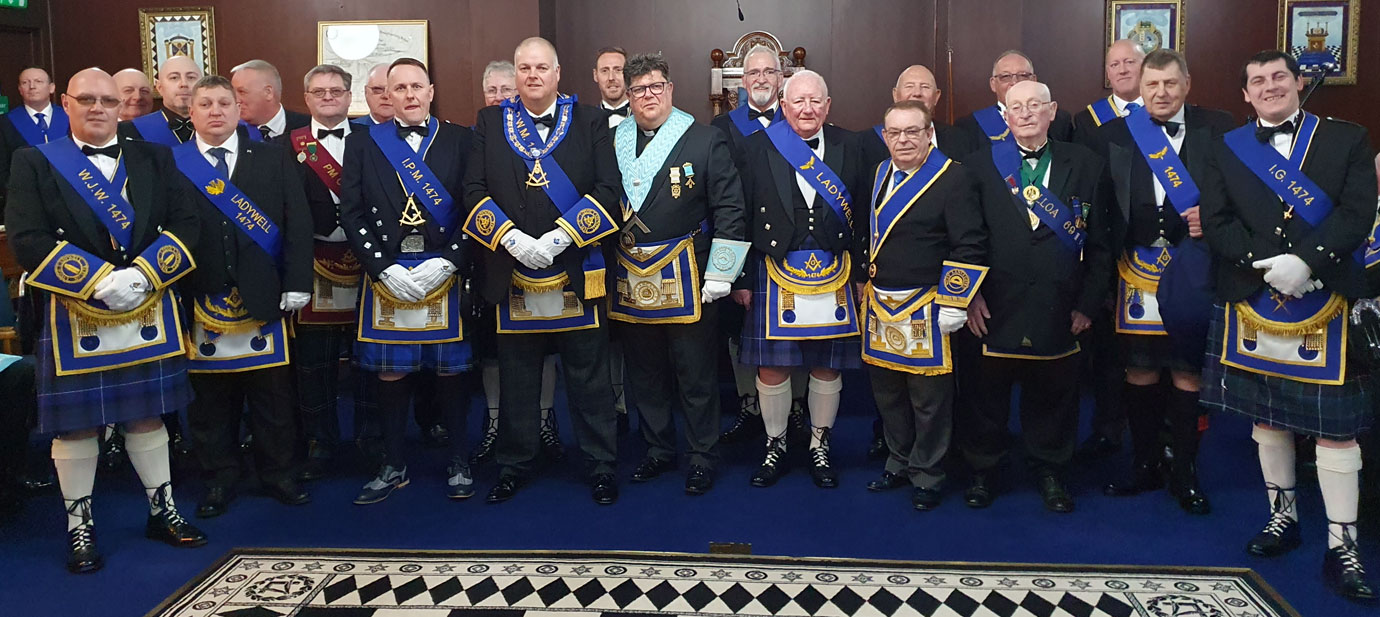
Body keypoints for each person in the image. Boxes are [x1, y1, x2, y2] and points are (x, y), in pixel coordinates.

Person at [5, 68, 206, 573]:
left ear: (122, 106)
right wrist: (94, 280)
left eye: (108, 100)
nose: (98, 108)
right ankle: (80, 528)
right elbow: (27, 237)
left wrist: (144, 275)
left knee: (147, 414)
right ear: (66, 103)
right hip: (74, 311)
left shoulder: (155, 157)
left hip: (145, 302)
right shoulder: (34, 161)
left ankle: (163, 512)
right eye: (87, 99)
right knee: (75, 427)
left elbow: (186, 222)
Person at [1199, 50, 1377, 601]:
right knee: (1268, 419)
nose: (1270, 86)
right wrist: (1267, 264)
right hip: (1254, 295)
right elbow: (1216, 219)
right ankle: (1284, 518)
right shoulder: (1226, 148)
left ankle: (1342, 545)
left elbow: (1357, 211)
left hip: (1326, 295)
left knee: (1334, 429)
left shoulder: (1347, 138)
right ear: (1246, 95)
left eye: (1279, 76)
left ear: (1298, 83)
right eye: (1258, 81)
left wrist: (1308, 261)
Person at [464, 37, 622, 505]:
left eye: (541, 68)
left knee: (590, 380)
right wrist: (509, 237)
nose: (532, 75)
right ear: (515, 75)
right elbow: (472, 189)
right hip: (512, 272)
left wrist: (562, 236)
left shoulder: (590, 120)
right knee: (517, 378)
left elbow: (609, 191)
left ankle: (601, 464)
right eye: (524, 68)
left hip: (576, 266)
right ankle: (514, 464)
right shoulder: (490, 122)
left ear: (558, 74)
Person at [959, 80, 1112, 513]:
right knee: (985, 396)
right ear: (1004, 116)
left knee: (1054, 396)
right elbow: (966, 238)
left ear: (1052, 111)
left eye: (1034, 106)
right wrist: (968, 297)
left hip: (1059, 306)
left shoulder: (1087, 164)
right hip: (993, 305)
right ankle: (983, 470)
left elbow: (1101, 244)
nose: (1025, 114)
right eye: (1016, 107)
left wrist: (1087, 302)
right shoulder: (978, 164)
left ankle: (1050, 470)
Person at [1099, 49, 1234, 515]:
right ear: (1139, 85)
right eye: (1151, 84)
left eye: (1170, 84)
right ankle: (1143, 465)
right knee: (1139, 369)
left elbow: (1239, 198)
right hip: (1133, 271)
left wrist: (1211, 219)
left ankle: (1185, 473)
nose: (1160, 93)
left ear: (1187, 85)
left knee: (1186, 371)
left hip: (1193, 269)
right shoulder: (1114, 134)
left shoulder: (1218, 129)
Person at [174, 74, 313, 517]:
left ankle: (279, 475)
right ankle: (219, 478)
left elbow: (298, 222)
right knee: (211, 402)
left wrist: (297, 282)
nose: (216, 111)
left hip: (264, 293)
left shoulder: (271, 158)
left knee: (273, 397)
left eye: (225, 103)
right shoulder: (172, 163)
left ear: (239, 110)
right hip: (199, 296)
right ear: (191, 112)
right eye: (206, 104)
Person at [341, 58, 476, 504]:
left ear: (432, 91)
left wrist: (453, 260)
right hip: (389, 273)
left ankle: (460, 460)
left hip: (443, 269)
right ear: (386, 96)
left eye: (418, 86)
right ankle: (394, 463)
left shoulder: (460, 139)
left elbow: (476, 208)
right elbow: (353, 212)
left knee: (450, 373)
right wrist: (381, 267)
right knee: (391, 372)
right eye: (400, 88)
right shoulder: (363, 143)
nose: (410, 95)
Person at [612, 52, 747, 494]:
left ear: (669, 89)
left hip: (690, 272)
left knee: (696, 373)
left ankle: (702, 455)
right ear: (627, 96)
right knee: (644, 371)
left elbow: (730, 207)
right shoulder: (612, 139)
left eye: (655, 87)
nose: (647, 96)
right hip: (630, 273)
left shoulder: (703, 139)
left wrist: (722, 273)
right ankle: (657, 449)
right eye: (638, 90)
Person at [733, 69, 864, 489]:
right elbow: (740, 213)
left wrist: (861, 273)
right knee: (773, 365)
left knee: (827, 365)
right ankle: (776, 444)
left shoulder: (851, 144)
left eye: (815, 101)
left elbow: (864, 213)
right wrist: (739, 277)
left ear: (828, 106)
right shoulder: (756, 148)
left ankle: (819, 444)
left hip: (835, 266)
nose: (807, 109)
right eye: (798, 101)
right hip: (773, 266)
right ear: (784, 106)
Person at [858, 99, 985, 511]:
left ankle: (928, 473)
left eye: (913, 131)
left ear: (930, 134)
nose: (903, 140)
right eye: (894, 132)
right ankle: (898, 461)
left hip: (928, 306)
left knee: (929, 399)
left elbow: (970, 243)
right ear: (884, 136)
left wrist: (956, 300)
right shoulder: (880, 173)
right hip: (881, 305)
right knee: (888, 393)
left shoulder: (953, 178)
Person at [469, 59, 565, 466]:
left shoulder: (557, 132)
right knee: (495, 355)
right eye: (492, 91)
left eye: (507, 90)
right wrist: (508, 238)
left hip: (554, 261)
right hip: (496, 263)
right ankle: (496, 426)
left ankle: (545, 422)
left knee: (544, 353)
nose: (500, 98)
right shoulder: (481, 132)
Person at [277, 64, 366, 481]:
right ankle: (320, 442)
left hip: (368, 265)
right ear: (307, 98)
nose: (328, 97)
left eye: (336, 90)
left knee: (368, 360)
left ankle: (371, 439)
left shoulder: (373, 140)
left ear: (350, 96)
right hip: (311, 264)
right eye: (319, 91)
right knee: (315, 364)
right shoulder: (284, 145)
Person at [710, 45, 795, 446]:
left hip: (790, 249)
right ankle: (749, 405)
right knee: (740, 331)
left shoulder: (799, 121)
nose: (761, 78)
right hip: (742, 244)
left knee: (793, 331)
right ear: (742, 83)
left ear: (781, 79)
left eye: (769, 72)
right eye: (753, 73)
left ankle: (792, 410)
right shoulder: (722, 129)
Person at [857, 64, 977, 169]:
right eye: (909, 86)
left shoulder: (961, 140)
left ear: (936, 96)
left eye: (925, 87)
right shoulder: (866, 143)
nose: (917, 93)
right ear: (895, 94)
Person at [954, 51, 1073, 148]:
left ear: (1034, 80)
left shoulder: (1060, 120)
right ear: (993, 84)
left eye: (1023, 75)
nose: (1015, 82)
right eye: (1005, 77)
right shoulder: (969, 126)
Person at [1, 67, 69, 209]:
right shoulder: (5, 123)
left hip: (70, 197)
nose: (32, 86)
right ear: (20, 89)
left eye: (38, 81)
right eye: (25, 82)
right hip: (26, 200)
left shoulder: (70, 119)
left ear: (51, 88)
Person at [1071, 39, 1146, 150]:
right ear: (1108, 73)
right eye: (1114, 65)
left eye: (1129, 62)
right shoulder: (1088, 120)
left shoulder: (1165, 111)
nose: (1122, 70)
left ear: (1145, 67)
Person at [118, 55, 202, 146]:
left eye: (191, 77)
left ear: (202, 85)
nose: (184, 84)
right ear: (159, 87)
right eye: (174, 77)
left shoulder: (217, 126)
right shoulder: (131, 130)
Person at [230, 59, 310, 140]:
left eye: (242, 92)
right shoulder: (229, 132)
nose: (236, 100)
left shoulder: (308, 127)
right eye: (233, 92)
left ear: (268, 93)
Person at [593, 47, 630, 127]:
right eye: (604, 71)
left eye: (618, 70)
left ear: (629, 73)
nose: (611, 78)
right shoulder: (588, 121)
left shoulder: (643, 118)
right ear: (595, 75)